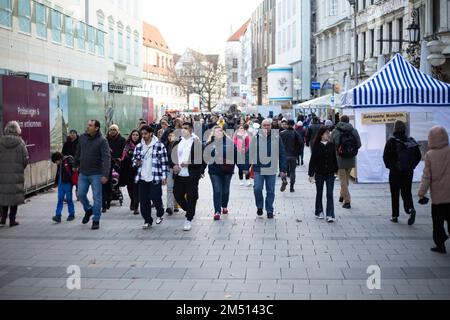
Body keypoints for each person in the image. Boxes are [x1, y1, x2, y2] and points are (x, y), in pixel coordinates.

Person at [418, 126, 450, 254]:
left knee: (438, 223)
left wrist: (421, 193)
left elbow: (426, 177)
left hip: (438, 198)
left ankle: (440, 244)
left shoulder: (430, 155)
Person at [383, 120, 422, 225]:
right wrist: (412, 166)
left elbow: (385, 157)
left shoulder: (391, 141)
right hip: (408, 172)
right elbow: (418, 156)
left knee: (395, 194)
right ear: (404, 129)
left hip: (395, 172)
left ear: (395, 129)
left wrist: (392, 166)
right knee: (407, 192)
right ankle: (410, 209)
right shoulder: (410, 141)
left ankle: (395, 215)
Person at [248, 119, 287, 219]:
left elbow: (282, 154)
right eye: (264, 125)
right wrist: (244, 167)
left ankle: (269, 210)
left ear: (271, 126)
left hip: (271, 168)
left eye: (268, 125)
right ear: (261, 126)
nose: (266, 127)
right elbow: (249, 153)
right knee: (257, 189)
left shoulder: (276, 137)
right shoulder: (256, 137)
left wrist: (283, 169)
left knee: (270, 191)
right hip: (258, 168)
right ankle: (260, 206)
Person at [75, 120, 111, 230]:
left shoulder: (102, 140)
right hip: (83, 172)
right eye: (88, 124)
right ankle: (88, 209)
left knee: (97, 197)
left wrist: (105, 174)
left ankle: (96, 219)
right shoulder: (82, 137)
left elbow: (106, 158)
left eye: (90, 125)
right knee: (80, 194)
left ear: (96, 128)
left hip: (96, 173)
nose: (88, 127)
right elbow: (78, 152)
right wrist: (75, 164)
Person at [132, 125, 169, 229]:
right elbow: (133, 160)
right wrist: (136, 162)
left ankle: (160, 213)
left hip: (155, 177)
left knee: (156, 197)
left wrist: (164, 176)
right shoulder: (139, 146)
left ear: (151, 134)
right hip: (142, 177)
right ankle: (147, 220)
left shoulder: (159, 146)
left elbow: (164, 162)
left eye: (145, 134)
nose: (143, 136)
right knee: (143, 200)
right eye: (142, 134)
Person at [172, 122, 207, 231]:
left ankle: (188, 219)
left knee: (192, 196)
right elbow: (171, 156)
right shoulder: (178, 142)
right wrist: (174, 165)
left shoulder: (197, 143)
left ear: (191, 130)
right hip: (179, 175)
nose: (183, 130)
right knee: (177, 194)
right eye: (182, 128)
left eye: (186, 128)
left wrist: (189, 164)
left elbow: (202, 160)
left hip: (191, 175)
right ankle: (189, 210)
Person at [205, 126, 242, 221]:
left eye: (220, 131)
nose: (218, 133)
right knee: (217, 190)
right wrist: (201, 170)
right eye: (216, 131)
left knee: (225, 190)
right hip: (214, 171)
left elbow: (236, 156)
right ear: (213, 133)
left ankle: (224, 205)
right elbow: (204, 158)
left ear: (223, 132)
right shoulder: (209, 144)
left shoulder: (229, 143)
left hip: (227, 170)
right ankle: (217, 211)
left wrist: (243, 168)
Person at [0, 121, 29, 227]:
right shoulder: (20, 143)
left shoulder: (0, 141)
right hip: (16, 175)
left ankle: (3, 219)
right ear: (17, 130)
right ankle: (12, 220)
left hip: (2, 175)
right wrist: (20, 168)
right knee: (14, 198)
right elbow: (25, 160)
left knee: (3, 196)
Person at [331, 115, 362, 209]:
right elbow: (359, 144)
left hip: (340, 159)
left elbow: (332, 145)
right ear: (348, 121)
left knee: (342, 180)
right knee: (346, 179)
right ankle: (342, 195)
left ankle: (347, 201)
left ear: (340, 121)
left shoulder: (335, 131)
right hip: (351, 158)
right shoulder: (354, 131)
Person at [308, 127, 338, 223]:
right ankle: (319, 211)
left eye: (328, 133)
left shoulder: (331, 145)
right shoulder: (316, 146)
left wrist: (336, 171)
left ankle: (330, 214)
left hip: (330, 173)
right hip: (319, 173)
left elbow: (334, 159)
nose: (328, 134)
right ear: (321, 135)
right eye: (326, 133)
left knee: (330, 193)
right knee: (319, 193)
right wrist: (311, 174)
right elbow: (312, 161)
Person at [103, 124, 126, 212]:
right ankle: (107, 198)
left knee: (116, 179)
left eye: (114, 130)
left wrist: (121, 158)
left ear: (117, 131)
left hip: (118, 163)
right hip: (107, 163)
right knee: (107, 182)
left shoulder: (122, 140)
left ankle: (115, 193)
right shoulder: (105, 140)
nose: (112, 131)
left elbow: (124, 151)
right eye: (111, 129)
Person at [120, 130, 141, 215]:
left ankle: (136, 205)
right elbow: (123, 158)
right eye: (133, 135)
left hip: (138, 171)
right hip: (128, 170)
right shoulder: (127, 146)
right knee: (130, 188)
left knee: (137, 188)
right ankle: (132, 200)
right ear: (131, 136)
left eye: (136, 135)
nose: (135, 136)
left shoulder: (141, 145)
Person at [51, 152, 76, 223]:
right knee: (60, 200)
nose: (56, 163)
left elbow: (74, 171)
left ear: (59, 159)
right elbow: (58, 173)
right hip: (60, 184)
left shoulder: (68, 160)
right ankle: (58, 215)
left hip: (68, 183)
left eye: (56, 161)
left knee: (69, 199)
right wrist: (56, 182)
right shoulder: (60, 163)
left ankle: (71, 214)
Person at [280, 120, 303, 193]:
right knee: (293, 171)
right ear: (293, 125)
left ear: (286, 125)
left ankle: (284, 180)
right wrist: (298, 154)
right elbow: (301, 144)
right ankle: (292, 187)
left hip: (284, 155)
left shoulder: (282, 133)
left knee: (283, 170)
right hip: (293, 155)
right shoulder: (296, 133)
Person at [165, 131, 178, 215]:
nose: (170, 137)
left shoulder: (179, 145)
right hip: (169, 168)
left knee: (177, 188)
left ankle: (175, 205)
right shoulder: (165, 145)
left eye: (172, 135)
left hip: (178, 169)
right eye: (169, 135)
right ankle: (169, 206)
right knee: (170, 188)